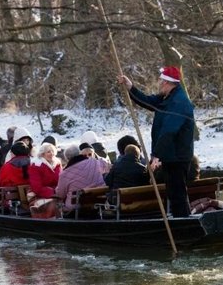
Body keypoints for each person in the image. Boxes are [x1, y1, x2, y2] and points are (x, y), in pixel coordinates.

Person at [118, 66, 195, 217]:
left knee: (177, 194)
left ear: (167, 83)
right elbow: (147, 101)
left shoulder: (178, 102)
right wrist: (130, 88)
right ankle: (181, 222)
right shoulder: (168, 97)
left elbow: (168, 131)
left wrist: (156, 155)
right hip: (171, 156)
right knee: (174, 194)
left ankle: (183, 226)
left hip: (177, 157)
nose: (159, 83)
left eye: (161, 81)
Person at [55, 144, 108, 211]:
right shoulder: (95, 162)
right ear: (80, 153)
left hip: (75, 210)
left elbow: (60, 195)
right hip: (99, 204)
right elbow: (107, 169)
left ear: (67, 159)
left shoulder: (64, 174)